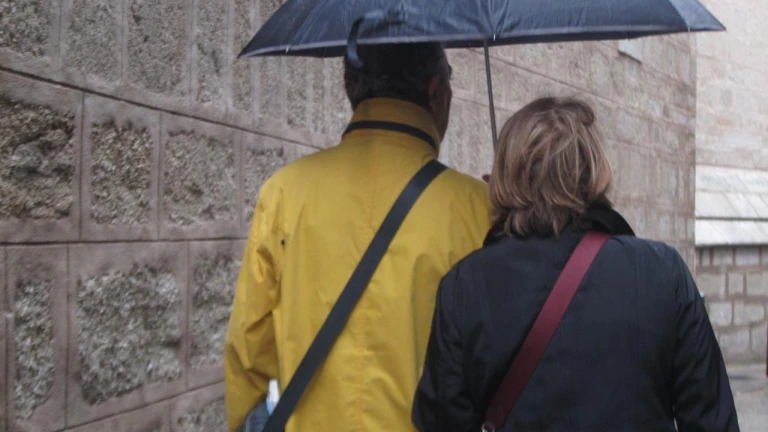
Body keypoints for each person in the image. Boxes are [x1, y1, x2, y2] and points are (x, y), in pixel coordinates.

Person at [412, 97, 739, 432]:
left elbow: (442, 421)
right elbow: (712, 419)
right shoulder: (662, 272)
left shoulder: (465, 285)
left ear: (505, 177)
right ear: (595, 170)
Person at [224, 43, 492, 432]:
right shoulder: (477, 208)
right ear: (435, 91)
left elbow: (248, 353)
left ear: (351, 85)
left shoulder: (283, 193)